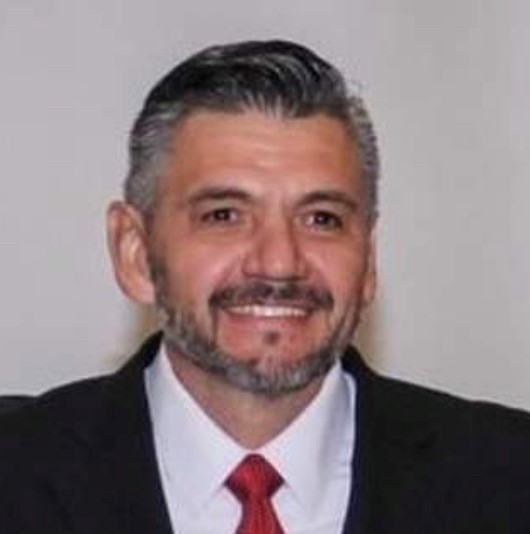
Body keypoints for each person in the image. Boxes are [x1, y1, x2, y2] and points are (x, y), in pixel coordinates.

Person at [1, 39, 530, 534]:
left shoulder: (509, 477)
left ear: (368, 260)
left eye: (321, 219)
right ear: (134, 252)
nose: (279, 263)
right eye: (224, 215)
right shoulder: (17, 470)